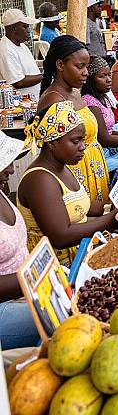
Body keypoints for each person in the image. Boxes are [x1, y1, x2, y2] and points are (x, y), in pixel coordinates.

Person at [19, 102, 118, 266]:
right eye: (75, 141)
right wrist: (111, 219)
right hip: (57, 267)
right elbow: (60, 236)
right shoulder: (40, 180)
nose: (83, 147)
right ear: (51, 143)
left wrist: (112, 207)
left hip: (79, 253)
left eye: (83, 140)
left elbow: (80, 207)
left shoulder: (63, 166)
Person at [38, 35, 109, 203]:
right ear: (60, 65)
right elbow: (51, 151)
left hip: (94, 167)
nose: (86, 72)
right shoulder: (53, 99)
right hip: (76, 174)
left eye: (87, 66)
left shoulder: (75, 92)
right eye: (80, 66)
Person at [0, 130, 40, 350]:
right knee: (65, 317)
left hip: (24, 289)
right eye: (4, 164)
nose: (11, 169)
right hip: (5, 305)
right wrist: (33, 278)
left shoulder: (2, 191)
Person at [82, 56, 118, 173]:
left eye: (109, 75)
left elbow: (107, 130)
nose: (109, 80)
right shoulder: (90, 103)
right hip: (100, 154)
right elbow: (104, 139)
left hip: (107, 147)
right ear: (90, 80)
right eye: (102, 76)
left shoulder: (103, 97)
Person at [0, 9, 42, 100]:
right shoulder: (5, 49)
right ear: (14, 28)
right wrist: (45, 75)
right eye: (25, 27)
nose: (28, 31)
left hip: (35, 99)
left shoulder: (22, 45)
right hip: (23, 105)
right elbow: (18, 82)